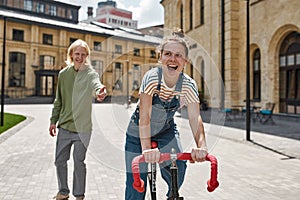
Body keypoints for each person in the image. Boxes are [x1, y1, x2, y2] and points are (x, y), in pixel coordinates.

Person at [124, 28, 208, 199]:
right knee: (136, 184)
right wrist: (146, 149)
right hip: (137, 131)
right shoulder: (152, 78)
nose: (172, 59)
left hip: (166, 130)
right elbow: (145, 116)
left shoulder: (188, 85)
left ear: (185, 61)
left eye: (178, 55)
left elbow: (194, 117)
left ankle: (172, 194)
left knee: (179, 165)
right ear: (160, 57)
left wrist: (202, 146)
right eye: (168, 53)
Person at [49, 39, 107, 200]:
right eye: (77, 54)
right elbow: (58, 100)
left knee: (78, 162)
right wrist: (53, 121)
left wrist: (100, 91)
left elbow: (96, 84)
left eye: (83, 54)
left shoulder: (90, 74)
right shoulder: (63, 75)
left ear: (87, 56)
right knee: (59, 161)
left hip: (83, 129)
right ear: (71, 55)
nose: (80, 57)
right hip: (65, 127)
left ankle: (79, 195)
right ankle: (63, 191)